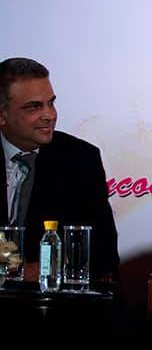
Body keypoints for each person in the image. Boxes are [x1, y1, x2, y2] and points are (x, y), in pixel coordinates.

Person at [0, 57, 120, 281]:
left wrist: (43, 270)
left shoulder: (80, 159)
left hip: (52, 301)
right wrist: (15, 268)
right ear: (2, 115)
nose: (49, 115)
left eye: (51, 103)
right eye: (33, 107)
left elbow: (103, 252)